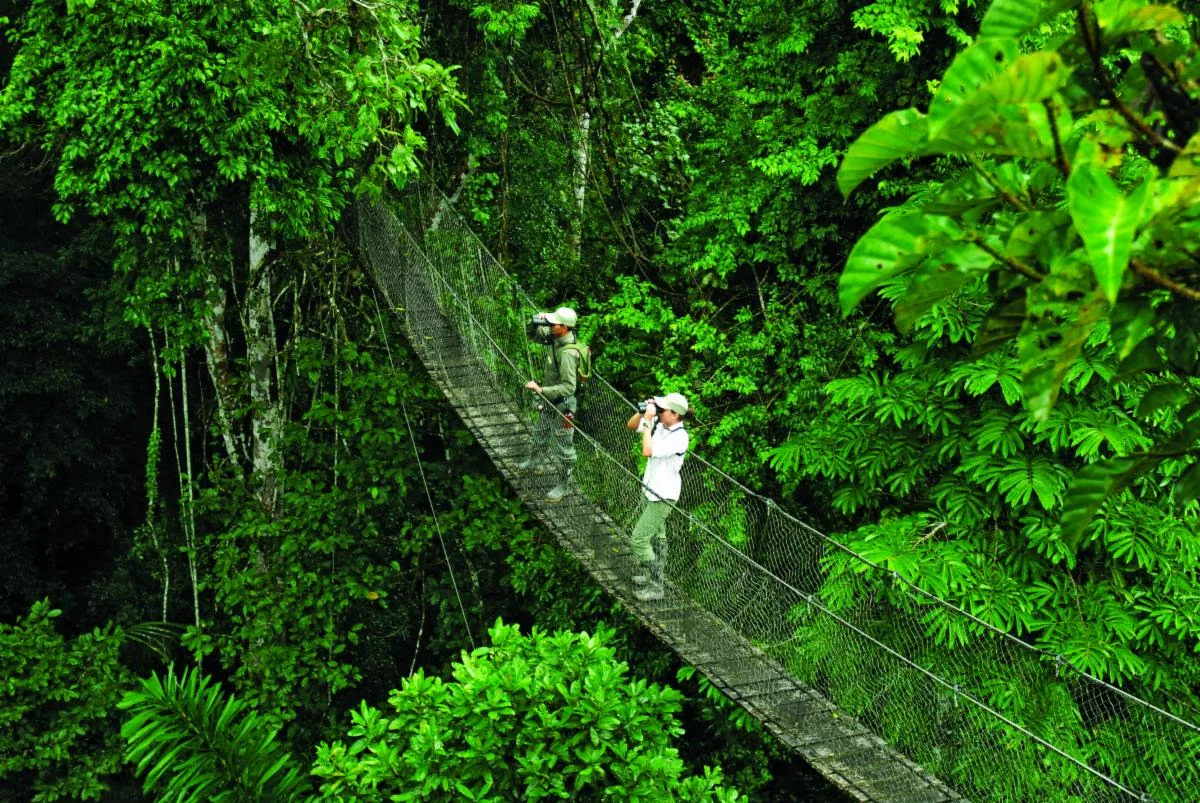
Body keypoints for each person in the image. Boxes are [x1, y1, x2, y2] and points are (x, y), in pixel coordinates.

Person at [625, 392, 689, 602]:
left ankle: (656, 584)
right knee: (658, 536)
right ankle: (650, 574)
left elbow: (647, 450)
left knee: (639, 540)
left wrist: (649, 420)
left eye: (663, 410)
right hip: (650, 489)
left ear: (675, 414)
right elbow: (631, 425)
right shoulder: (661, 425)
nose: (660, 412)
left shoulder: (680, 437)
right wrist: (643, 412)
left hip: (663, 495)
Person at [519, 307, 585, 502]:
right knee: (540, 430)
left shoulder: (567, 354)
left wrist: (541, 390)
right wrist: (535, 322)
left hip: (564, 405)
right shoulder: (555, 337)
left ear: (564, 328)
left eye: (553, 323)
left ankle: (564, 483)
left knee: (564, 446)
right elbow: (532, 335)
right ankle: (534, 463)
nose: (550, 325)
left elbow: (568, 388)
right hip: (549, 399)